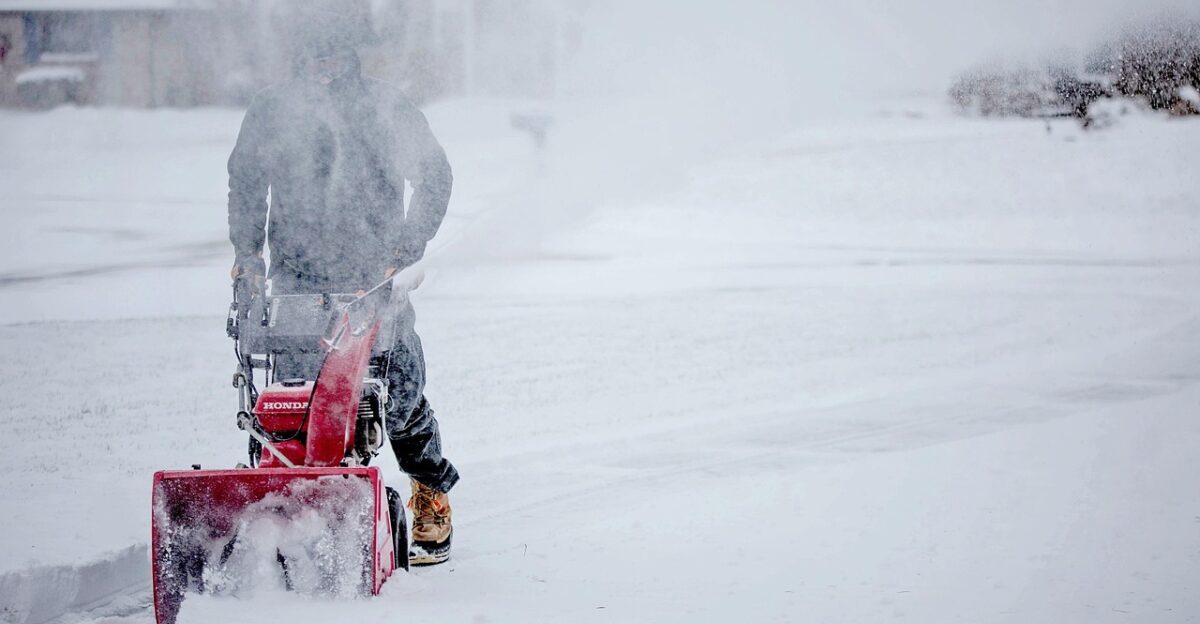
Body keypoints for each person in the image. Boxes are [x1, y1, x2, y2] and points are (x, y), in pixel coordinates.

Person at [226, 3, 458, 565]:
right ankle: (286, 509)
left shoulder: (384, 107)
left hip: (373, 275)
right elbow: (246, 181)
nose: (324, 67)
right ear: (300, 59)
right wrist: (248, 256)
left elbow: (434, 175)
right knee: (294, 400)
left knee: (396, 392)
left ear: (350, 56)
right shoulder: (273, 111)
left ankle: (430, 489)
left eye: (333, 56)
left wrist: (404, 252)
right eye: (314, 57)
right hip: (298, 277)